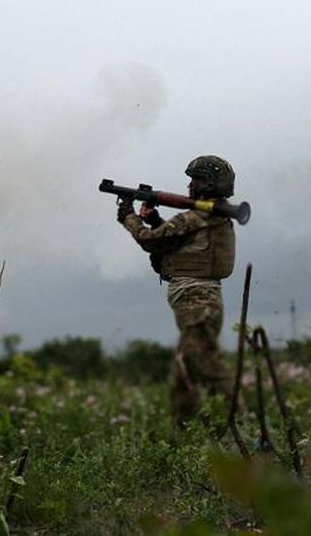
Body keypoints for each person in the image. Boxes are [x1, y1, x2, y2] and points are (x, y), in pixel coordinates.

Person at [117, 155, 238, 424]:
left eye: (194, 180)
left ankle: (237, 424)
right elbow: (176, 243)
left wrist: (129, 218)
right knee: (186, 369)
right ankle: (188, 429)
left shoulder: (198, 217)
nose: (190, 186)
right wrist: (156, 220)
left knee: (204, 364)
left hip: (197, 299)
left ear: (205, 184)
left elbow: (150, 241)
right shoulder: (214, 217)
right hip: (199, 298)